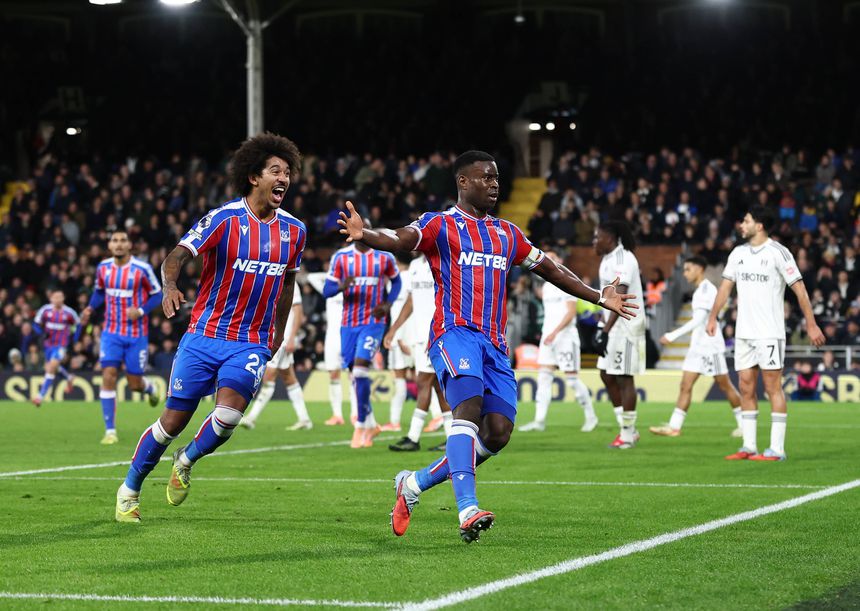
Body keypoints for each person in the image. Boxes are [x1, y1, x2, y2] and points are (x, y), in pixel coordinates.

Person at [337, 150, 637, 543]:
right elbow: (401, 237)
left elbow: (551, 268)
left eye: (497, 178)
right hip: (455, 333)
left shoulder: (507, 233)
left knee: (497, 433)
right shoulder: (441, 225)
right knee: (467, 408)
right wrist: (368, 234)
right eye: (486, 178)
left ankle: (412, 484)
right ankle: (467, 508)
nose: (495, 184)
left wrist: (598, 296)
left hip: (495, 345)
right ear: (463, 182)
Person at [114, 132, 306, 523]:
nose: (283, 178)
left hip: (249, 342)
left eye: (287, 172)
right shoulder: (224, 219)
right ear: (254, 177)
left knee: (229, 416)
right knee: (171, 423)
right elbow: (178, 254)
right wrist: (170, 285)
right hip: (204, 335)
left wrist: (279, 331)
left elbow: (287, 283)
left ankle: (186, 460)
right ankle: (129, 490)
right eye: (275, 170)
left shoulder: (295, 231)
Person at [707, 205, 824, 461]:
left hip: (770, 333)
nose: (741, 225)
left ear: (759, 225)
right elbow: (725, 288)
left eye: (746, 221)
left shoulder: (778, 253)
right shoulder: (737, 253)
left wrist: (811, 323)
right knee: (746, 386)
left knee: (773, 388)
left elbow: (800, 290)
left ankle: (777, 450)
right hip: (744, 333)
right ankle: (749, 446)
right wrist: (713, 316)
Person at [80, 231, 162, 445]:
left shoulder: (142, 269)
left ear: (129, 245)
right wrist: (90, 307)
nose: (118, 244)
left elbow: (157, 294)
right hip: (111, 332)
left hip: (136, 334)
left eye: (122, 240)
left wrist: (141, 311)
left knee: (134, 384)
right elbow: (99, 292)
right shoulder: (103, 268)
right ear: (109, 245)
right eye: (114, 240)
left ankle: (149, 388)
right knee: (108, 374)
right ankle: (110, 431)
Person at [322, 228, 402, 448]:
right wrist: (341, 286)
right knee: (355, 376)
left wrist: (387, 304)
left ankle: (359, 425)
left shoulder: (384, 256)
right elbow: (326, 291)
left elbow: (397, 282)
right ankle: (372, 423)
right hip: (348, 325)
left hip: (373, 323)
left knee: (359, 371)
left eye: (364, 229)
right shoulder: (341, 257)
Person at [650, 256, 743, 437]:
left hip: (710, 346)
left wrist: (672, 335)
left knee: (725, 386)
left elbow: (699, 320)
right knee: (685, 385)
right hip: (697, 347)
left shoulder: (707, 289)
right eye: (684, 269)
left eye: (688, 269)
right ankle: (674, 427)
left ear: (700, 269)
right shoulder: (700, 290)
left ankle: (745, 425)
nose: (685, 273)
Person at [518, 250, 598, 433]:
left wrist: (555, 332)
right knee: (544, 378)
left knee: (571, 379)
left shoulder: (568, 282)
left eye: (552, 257)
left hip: (565, 338)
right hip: (549, 338)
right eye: (546, 257)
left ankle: (591, 416)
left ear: (559, 260)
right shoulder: (546, 286)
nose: (548, 260)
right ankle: (539, 421)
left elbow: (571, 313)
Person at [384, 252, 452, 452]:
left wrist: (436, 333)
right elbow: (411, 301)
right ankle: (452, 438)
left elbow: (447, 301)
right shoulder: (415, 265)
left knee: (423, 381)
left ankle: (413, 438)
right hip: (420, 336)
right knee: (439, 388)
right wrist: (394, 328)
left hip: (437, 335)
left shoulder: (443, 262)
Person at [593, 221, 646, 449]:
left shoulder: (624, 259)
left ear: (610, 237)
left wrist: (605, 330)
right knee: (605, 374)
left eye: (598, 237)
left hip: (626, 325)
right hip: (611, 325)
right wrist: (601, 324)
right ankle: (627, 428)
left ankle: (627, 434)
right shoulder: (607, 259)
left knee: (625, 378)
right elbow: (606, 296)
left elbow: (620, 296)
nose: (594, 241)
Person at [239, 280, 311, 430]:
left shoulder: (290, 283)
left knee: (269, 376)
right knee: (288, 377)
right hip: (274, 336)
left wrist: (292, 337)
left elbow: (298, 311)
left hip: (282, 339)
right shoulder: (271, 279)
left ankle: (251, 418)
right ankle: (304, 419)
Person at [306, 270, 356, 425]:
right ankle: (337, 415)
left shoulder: (354, 291)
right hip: (332, 337)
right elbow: (311, 276)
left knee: (353, 376)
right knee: (333, 374)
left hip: (350, 336)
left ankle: (355, 414)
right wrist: (333, 276)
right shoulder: (329, 291)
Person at [381, 256, 413, 432]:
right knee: (424, 379)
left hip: (403, 336)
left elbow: (407, 309)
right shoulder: (411, 275)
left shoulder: (402, 279)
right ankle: (438, 417)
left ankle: (394, 421)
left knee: (401, 379)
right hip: (410, 335)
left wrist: (399, 336)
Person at [31, 290, 80, 407]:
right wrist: (41, 333)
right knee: (53, 367)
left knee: (51, 367)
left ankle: (39, 397)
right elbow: (35, 324)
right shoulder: (45, 310)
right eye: (55, 297)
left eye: (60, 297)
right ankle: (69, 377)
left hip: (61, 345)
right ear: (51, 299)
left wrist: (75, 340)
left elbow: (78, 326)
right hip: (48, 345)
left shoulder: (69, 313)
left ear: (63, 299)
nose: (58, 299)